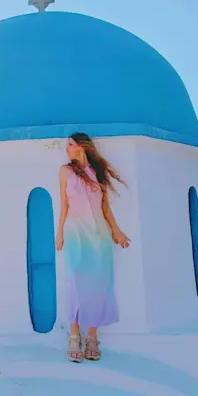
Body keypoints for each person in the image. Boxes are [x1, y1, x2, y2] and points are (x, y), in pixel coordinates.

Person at [55, 132, 130, 362]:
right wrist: (59, 232)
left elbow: (105, 207)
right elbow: (64, 205)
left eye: (70, 144)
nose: (67, 148)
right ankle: (74, 335)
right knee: (76, 281)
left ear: (81, 146)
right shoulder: (65, 172)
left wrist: (116, 231)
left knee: (99, 283)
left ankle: (92, 337)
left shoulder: (97, 172)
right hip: (75, 233)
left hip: (99, 235)